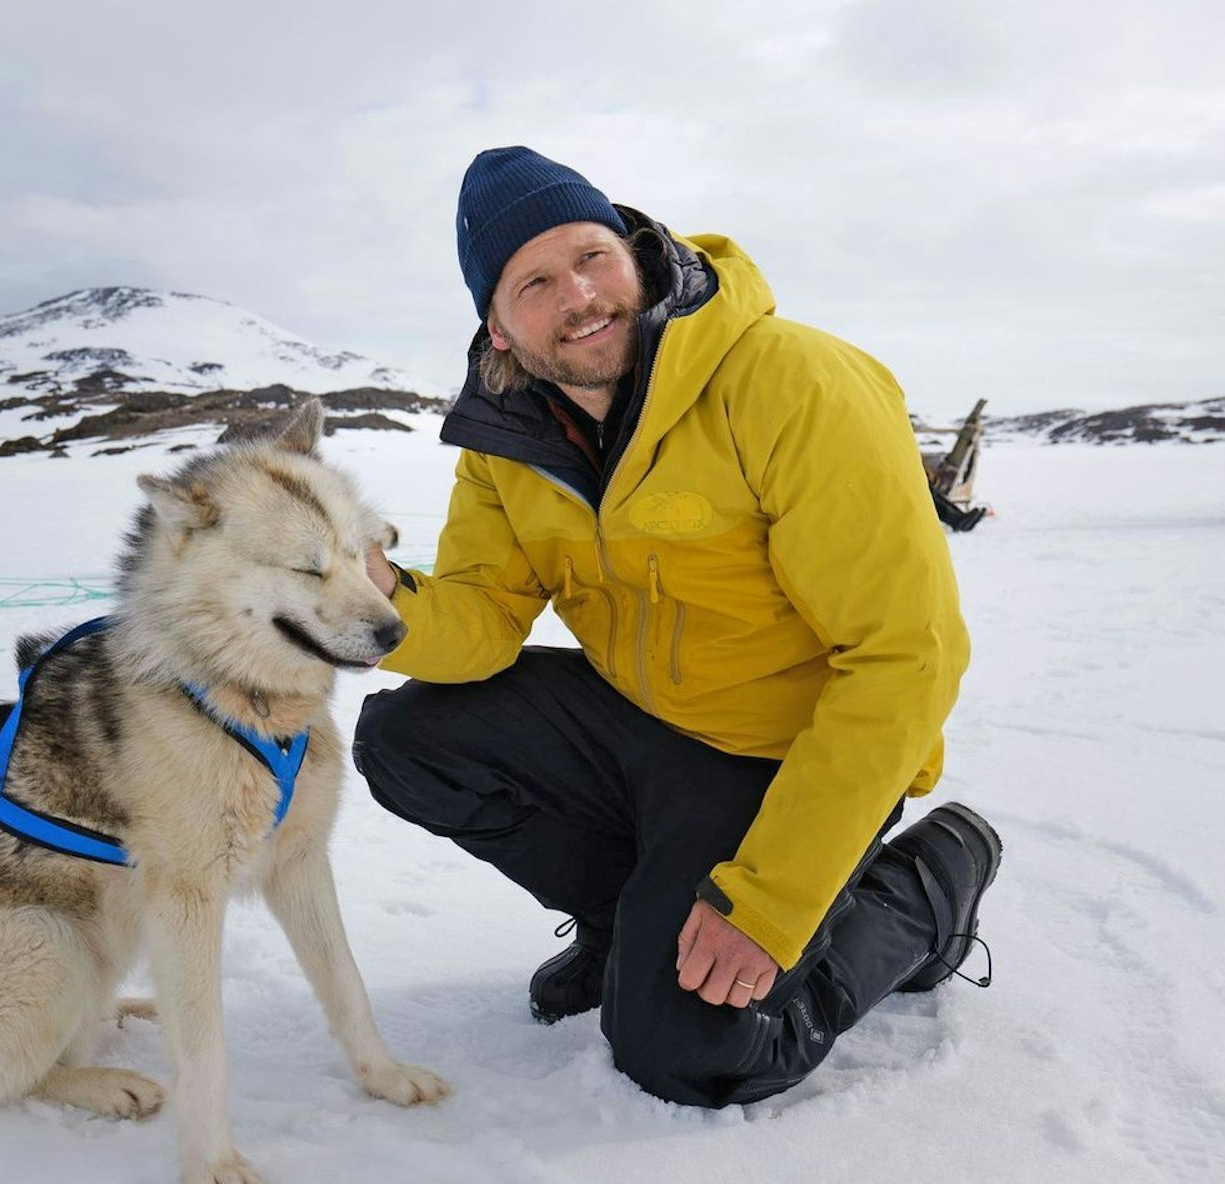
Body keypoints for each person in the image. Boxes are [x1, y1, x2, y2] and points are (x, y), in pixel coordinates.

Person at [351, 147, 1002, 1108]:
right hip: (648, 732)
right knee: (410, 738)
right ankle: (627, 919)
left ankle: (929, 886)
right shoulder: (509, 435)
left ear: (637, 252)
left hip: (788, 760)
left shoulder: (792, 383)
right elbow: (482, 620)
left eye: (591, 256)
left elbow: (905, 657)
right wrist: (379, 597)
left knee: (693, 1051)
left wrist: (772, 906)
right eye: (534, 282)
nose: (579, 295)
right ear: (497, 321)